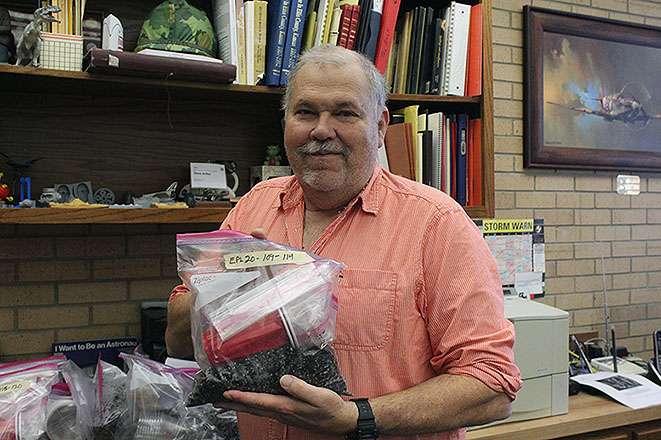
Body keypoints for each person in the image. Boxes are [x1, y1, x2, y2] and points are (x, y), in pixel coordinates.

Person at [166, 45, 521, 440]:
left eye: (345, 113)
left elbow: (492, 385)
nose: (321, 129)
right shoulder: (253, 208)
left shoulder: (437, 224)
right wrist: (221, 290)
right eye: (305, 112)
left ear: (381, 125)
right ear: (285, 122)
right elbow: (180, 344)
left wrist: (358, 417)